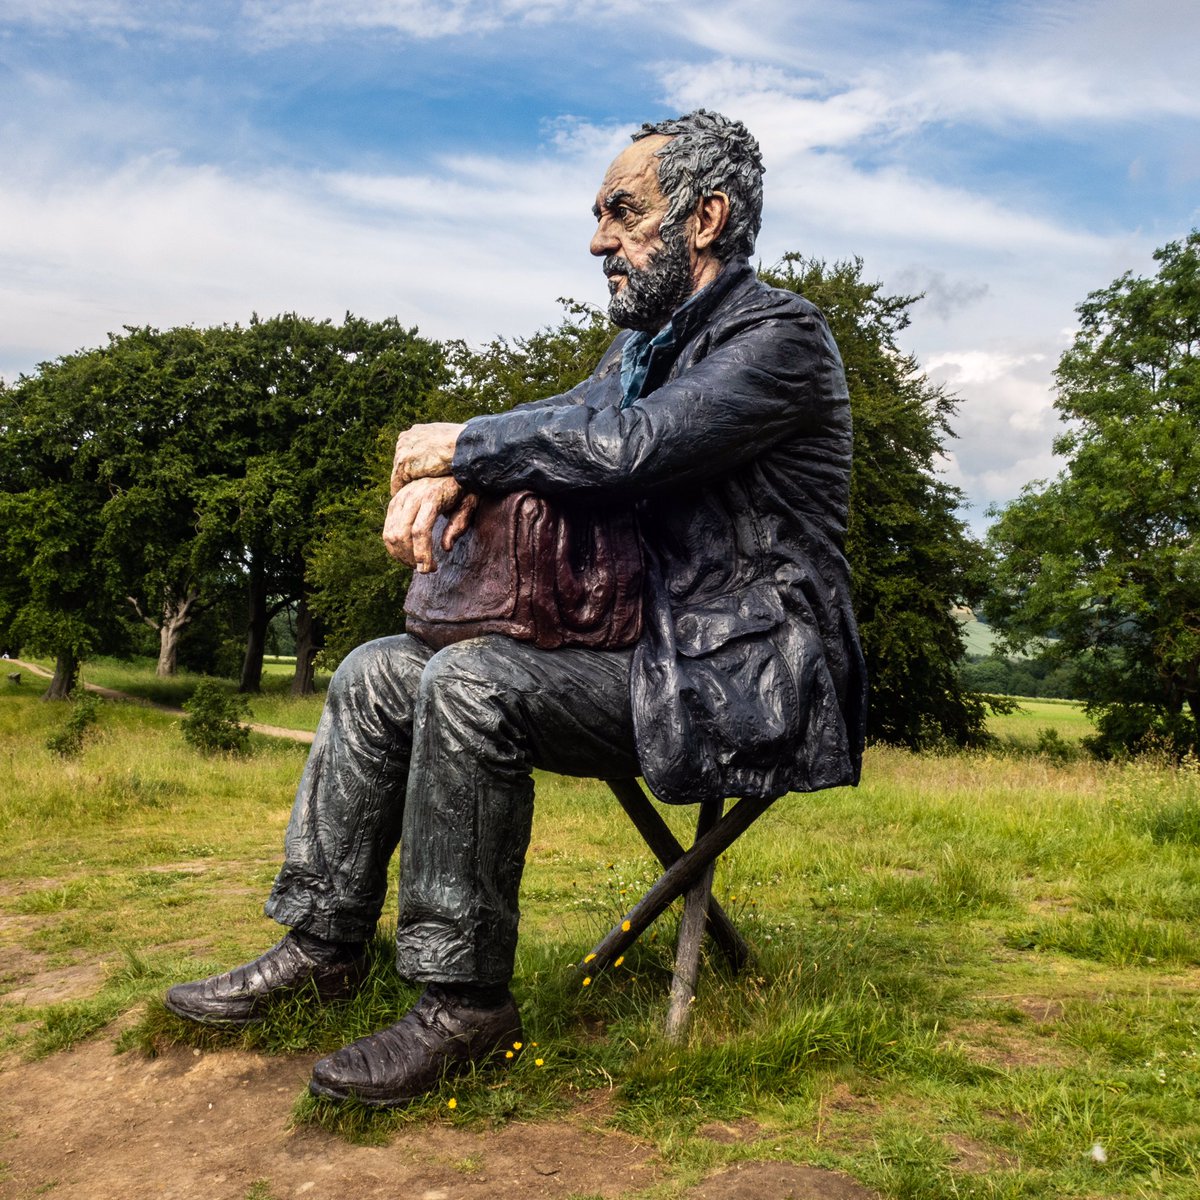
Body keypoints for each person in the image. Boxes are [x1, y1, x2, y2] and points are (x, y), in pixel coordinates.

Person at [165, 110, 866, 1108]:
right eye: (596, 215)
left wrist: (459, 448)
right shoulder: (638, 352)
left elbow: (633, 448)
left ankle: (464, 1008)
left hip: (744, 675)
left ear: (706, 218)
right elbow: (564, 426)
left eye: (623, 213)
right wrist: (459, 477)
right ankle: (323, 945)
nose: (597, 240)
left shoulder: (781, 341)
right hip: (641, 653)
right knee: (375, 672)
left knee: (472, 680)